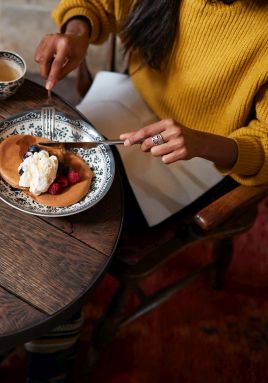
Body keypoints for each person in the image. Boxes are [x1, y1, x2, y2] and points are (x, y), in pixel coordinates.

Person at [27, 0, 267, 381]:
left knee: (68, 239)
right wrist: (76, 33)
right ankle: (18, 331)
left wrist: (202, 143)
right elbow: (97, 4)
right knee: (29, 188)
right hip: (130, 98)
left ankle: (50, 360)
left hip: (204, 156)